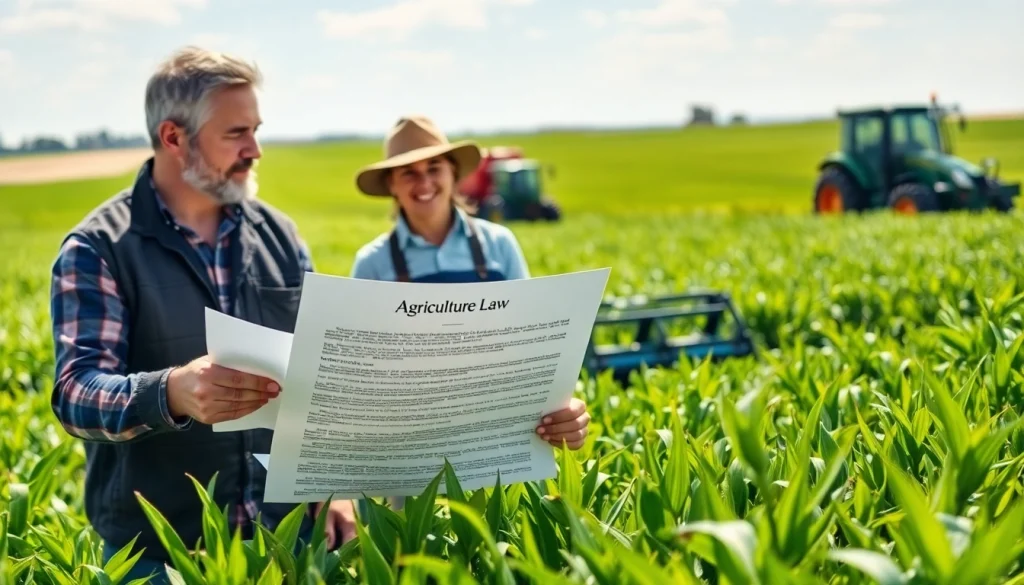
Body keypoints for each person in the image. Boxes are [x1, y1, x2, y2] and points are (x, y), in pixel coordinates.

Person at [48, 46, 354, 583]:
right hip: (156, 552)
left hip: (284, 542)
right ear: (174, 137)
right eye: (236, 134)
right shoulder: (99, 248)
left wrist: (335, 488)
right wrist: (170, 392)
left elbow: (321, 378)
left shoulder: (280, 236)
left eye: (256, 130)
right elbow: (75, 395)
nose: (255, 149)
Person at [350, 115, 591, 453]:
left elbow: (531, 348)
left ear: (453, 173)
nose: (424, 182)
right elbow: (361, 373)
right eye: (409, 173)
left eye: (434, 168)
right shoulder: (372, 263)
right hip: (410, 446)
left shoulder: (499, 244)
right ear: (391, 184)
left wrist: (566, 413)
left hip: (496, 438)